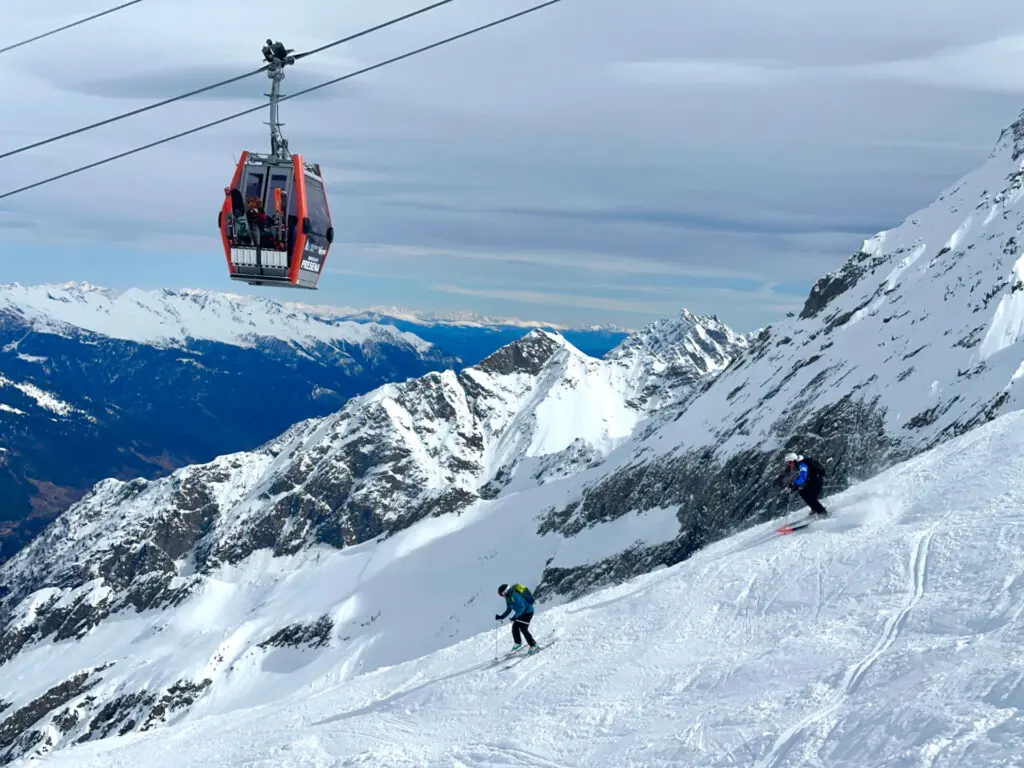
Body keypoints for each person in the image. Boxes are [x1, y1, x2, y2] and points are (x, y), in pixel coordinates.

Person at [775, 452, 829, 518]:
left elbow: (803, 477)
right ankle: (815, 509)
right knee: (803, 492)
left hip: (816, 481)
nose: (789, 464)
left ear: (794, 460)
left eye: (789, 462)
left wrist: (795, 484)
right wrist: (796, 486)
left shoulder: (802, 465)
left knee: (810, 496)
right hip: (813, 481)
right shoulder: (800, 464)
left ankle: (822, 513)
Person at [496, 583, 539, 654]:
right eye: (501, 595)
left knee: (523, 629)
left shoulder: (515, 595)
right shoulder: (508, 597)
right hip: (521, 613)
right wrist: (501, 617)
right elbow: (509, 609)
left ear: (506, 590)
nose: (502, 596)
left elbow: (522, 607)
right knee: (515, 627)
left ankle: (534, 645)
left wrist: (515, 617)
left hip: (528, 612)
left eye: (502, 593)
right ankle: (518, 643)